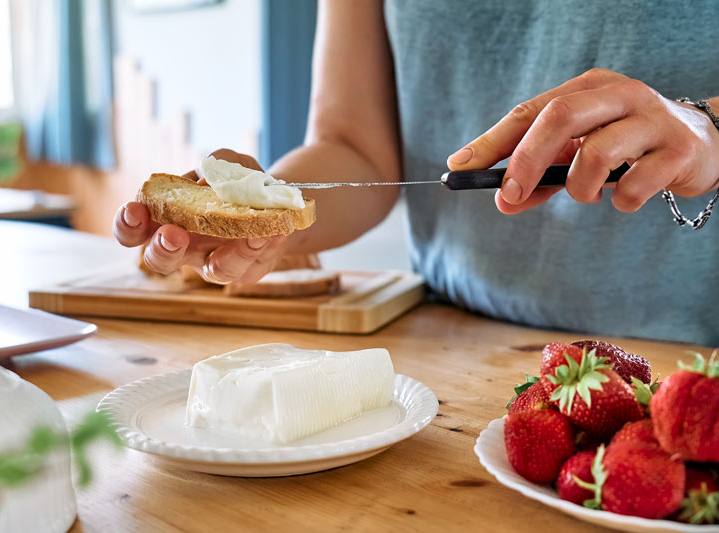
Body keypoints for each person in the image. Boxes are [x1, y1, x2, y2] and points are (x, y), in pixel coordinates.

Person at [113, 1, 719, 346]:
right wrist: (267, 221)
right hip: (453, 340)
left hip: (690, 356)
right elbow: (352, 145)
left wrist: (705, 128)